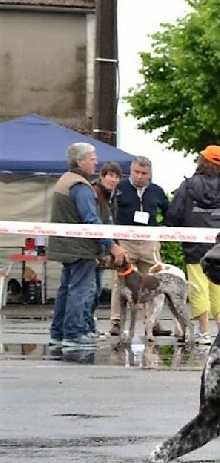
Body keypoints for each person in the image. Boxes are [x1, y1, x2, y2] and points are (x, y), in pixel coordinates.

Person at [47, 143, 127, 347]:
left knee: (66, 288)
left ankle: (58, 332)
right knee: (80, 290)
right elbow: (91, 219)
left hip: (66, 245)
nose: (96, 162)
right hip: (80, 248)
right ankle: (73, 333)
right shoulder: (80, 186)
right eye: (92, 159)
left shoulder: (64, 181)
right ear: (79, 161)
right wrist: (112, 246)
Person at [164, 145, 220, 345]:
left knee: (198, 288)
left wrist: (173, 228)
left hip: (194, 245)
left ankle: (203, 332)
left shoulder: (188, 186)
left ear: (202, 160)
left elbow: (174, 214)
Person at [109, 156, 171, 337]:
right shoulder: (120, 189)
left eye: (144, 173)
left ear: (149, 173)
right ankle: (117, 322)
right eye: (136, 172)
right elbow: (110, 212)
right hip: (126, 241)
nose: (139, 176)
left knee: (154, 282)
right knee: (119, 283)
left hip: (149, 242)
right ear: (131, 170)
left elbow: (169, 210)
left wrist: (165, 229)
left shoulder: (157, 191)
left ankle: (153, 322)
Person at [84, 160, 122, 339]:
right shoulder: (94, 193)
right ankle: (85, 327)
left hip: (101, 250)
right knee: (89, 291)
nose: (113, 180)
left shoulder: (111, 196)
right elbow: (94, 222)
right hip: (91, 249)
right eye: (110, 176)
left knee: (96, 290)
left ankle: (89, 326)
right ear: (102, 176)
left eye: (116, 177)